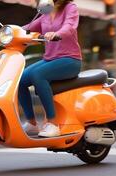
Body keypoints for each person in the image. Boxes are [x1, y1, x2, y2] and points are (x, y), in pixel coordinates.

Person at [20, 0, 82, 137]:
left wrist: (57, 33)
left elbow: (69, 26)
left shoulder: (70, 8)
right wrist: (7, 33)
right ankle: (32, 123)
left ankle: (53, 124)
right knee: (20, 80)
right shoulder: (45, 13)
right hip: (50, 59)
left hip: (70, 60)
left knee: (38, 74)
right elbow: (27, 28)